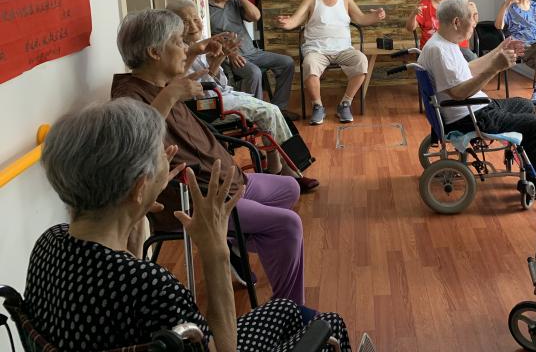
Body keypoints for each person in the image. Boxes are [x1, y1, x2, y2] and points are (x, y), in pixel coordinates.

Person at [26, 98, 351, 352]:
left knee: (285, 309)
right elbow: (222, 348)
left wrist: (134, 219)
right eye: (161, 157)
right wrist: (216, 252)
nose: (169, 161)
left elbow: (119, 301)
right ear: (139, 188)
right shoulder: (154, 287)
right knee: (329, 325)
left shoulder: (49, 243)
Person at [112, 9, 306, 304]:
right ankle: (290, 310)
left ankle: (233, 241)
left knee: (289, 187)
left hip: (225, 181)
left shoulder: (159, 84)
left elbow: (179, 79)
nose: (185, 48)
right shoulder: (128, 97)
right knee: (287, 226)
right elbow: (136, 146)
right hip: (199, 200)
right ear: (154, 52)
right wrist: (171, 95)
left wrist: (197, 65)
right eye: (178, 42)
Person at [167, 0, 319, 192]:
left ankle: (280, 169)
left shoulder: (198, 44)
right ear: (173, 24)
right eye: (185, 21)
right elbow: (177, 83)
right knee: (269, 112)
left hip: (220, 96)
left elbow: (212, 76)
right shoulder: (175, 49)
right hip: (207, 106)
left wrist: (221, 56)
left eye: (196, 19)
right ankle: (290, 173)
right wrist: (194, 53)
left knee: (273, 113)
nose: (193, 25)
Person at [418, 0, 536, 176]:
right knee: (535, 124)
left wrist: (498, 50)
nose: (474, 23)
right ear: (457, 22)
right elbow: (458, 93)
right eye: (471, 17)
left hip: (475, 108)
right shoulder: (439, 50)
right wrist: (495, 68)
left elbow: (469, 69)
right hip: (469, 117)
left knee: (525, 105)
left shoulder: (444, 42)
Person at [275, 0, 386, 125]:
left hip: (343, 49)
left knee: (361, 61)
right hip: (317, 50)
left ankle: (345, 103)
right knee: (309, 64)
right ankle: (317, 106)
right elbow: (295, 20)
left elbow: (361, 18)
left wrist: (376, 16)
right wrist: (285, 23)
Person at [208, 0, 297, 117]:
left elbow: (256, 16)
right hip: (231, 57)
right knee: (254, 73)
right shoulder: (207, 10)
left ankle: (279, 109)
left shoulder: (234, 2)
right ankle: (256, 115)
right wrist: (229, 54)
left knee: (287, 62)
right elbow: (209, 40)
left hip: (252, 52)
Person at [405, 0, 477, 62]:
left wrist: (474, 11)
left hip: (458, 47)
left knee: (472, 60)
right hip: (434, 50)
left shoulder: (455, 1)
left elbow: (473, 23)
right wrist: (414, 14)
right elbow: (410, 28)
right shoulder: (424, 5)